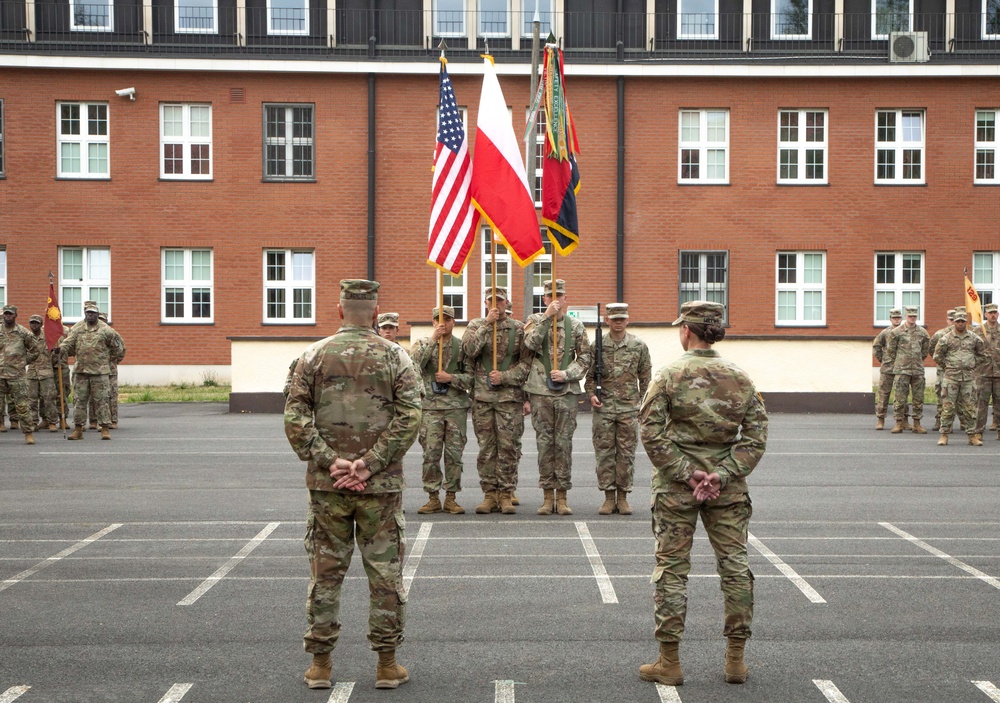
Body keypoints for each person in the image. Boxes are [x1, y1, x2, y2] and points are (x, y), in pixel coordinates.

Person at [284, 279, 421, 691]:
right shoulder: (396, 356)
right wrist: (369, 465)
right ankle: (387, 664)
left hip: (328, 487)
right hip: (379, 488)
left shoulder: (311, 356)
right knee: (384, 573)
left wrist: (332, 462)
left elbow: (294, 418)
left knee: (326, 572)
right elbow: (410, 417)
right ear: (376, 312)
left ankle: (320, 666)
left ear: (339, 310)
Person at [638, 300, 767, 686]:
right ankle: (735, 661)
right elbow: (756, 436)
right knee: (735, 567)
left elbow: (650, 432)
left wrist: (688, 474)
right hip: (727, 490)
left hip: (677, 490)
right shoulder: (740, 377)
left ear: (686, 331)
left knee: (672, 571)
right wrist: (722, 474)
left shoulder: (668, 375)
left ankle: (670, 661)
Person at [523, 279, 592, 516]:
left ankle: (561, 496)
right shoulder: (534, 322)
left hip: (566, 392)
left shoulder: (576, 326)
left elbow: (585, 358)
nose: (555, 299)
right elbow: (530, 345)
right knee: (544, 444)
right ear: (544, 299)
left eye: (559, 296)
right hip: (540, 391)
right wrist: (545, 318)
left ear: (565, 299)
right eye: (550, 296)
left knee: (563, 444)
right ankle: (546, 495)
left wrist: (567, 373)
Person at [461, 286, 531, 514]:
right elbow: (469, 351)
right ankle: (489, 494)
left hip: (509, 399)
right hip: (482, 398)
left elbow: (527, 365)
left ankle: (506, 493)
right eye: (491, 300)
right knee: (487, 449)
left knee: (508, 447)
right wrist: (485, 326)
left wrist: (506, 377)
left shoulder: (518, 329)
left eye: (499, 301)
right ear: (485, 303)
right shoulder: (475, 326)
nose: (496, 305)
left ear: (507, 302)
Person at [584, 303, 652, 515]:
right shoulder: (598, 346)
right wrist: (592, 395)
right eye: (615, 319)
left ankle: (622, 497)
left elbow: (646, 378)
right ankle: (608, 497)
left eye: (622, 318)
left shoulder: (638, 345)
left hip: (628, 409)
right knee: (604, 454)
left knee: (626, 454)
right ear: (607, 321)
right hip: (604, 408)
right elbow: (589, 378)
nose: (619, 323)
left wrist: (641, 403)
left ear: (628, 320)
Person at [409, 305, 472, 515]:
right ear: (433, 322)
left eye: (447, 319)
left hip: (455, 407)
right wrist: (433, 338)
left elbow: (472, 378)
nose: (443, 323)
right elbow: (414, 364)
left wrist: (451, 378)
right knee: (431, 454)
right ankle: (432, 497)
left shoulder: (462, 347)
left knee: (454, 455)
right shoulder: (423, 344)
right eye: (438, 320)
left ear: (454, 322)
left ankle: (452, 496)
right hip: (431, 408)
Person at [57, 302, 125, 440]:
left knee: (102, 401)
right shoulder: (77, 328)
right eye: (88, 313)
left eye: (93, 313)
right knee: (79, 401)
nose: (90, 315)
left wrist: (108, 360)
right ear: (85, 313)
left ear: (97, 315)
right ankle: (78, 429)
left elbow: (119, 348)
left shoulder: (106, 330)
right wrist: (61, 348)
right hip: (81, 372)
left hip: (99, 373)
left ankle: (105, 428)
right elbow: (69, 342)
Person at [933, 308, 987, 446]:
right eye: (958, 321)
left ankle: (972, 436)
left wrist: (972, 364)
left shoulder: (974, 338)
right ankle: (944, 435)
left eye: (963, 321)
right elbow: (937, 356)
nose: (960, 324)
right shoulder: (945, 338)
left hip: (968, 379)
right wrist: (949, 366)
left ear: (966, 322)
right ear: (954, 322)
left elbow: (982, 355)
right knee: (948, 408)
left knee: (970, 408)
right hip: (951, 378)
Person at [0, 305, 42, 444]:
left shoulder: (23, 333)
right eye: (6, 314)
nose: (7, 316)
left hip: (16, 375)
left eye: (10, 314)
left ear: (15, 315)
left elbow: (36, 350)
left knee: (22, 406)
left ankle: (28, 433)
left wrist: (23, 361)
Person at [886, 306, 930, 434]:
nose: (912, 318)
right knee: (900, 398)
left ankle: (917, 423)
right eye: (910, 316)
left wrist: (916, 360)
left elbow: (925, 352)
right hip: (902, 370)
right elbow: (890, 351)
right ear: (906, 316)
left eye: (914, 316)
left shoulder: (922, 332)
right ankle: (899, 423)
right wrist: (901, 361)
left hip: (917, 370)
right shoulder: (896, 332)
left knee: (918, 398)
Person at [89, 312, 125, 430]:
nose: (101, 322)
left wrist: (113, 361)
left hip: (110, 370)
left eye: (103, 320)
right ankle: (94, 420)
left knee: (111, 396)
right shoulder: (91, 333)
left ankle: (112, 420)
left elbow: (121, 349)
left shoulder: (112, 334)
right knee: (94, 395)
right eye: (99, 320)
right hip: (94, 369)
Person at [25, 314, 60, 432]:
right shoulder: (26, 338)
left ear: (41, 325)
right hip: (32, 372)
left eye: (36, 323)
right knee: (31, 399)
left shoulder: (48, 337)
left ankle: (52, 422)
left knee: (49, 398)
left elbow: (55, 357)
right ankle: (33, 422)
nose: (34, 325)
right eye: (32, 323)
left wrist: (54, 357)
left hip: (46, 372)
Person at [872, 308, 902, 430]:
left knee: (901, 396)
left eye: (898, 318)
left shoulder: (905, 331)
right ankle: (880, 419)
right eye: (894, 318)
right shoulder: (885, 333)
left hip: (901, 368)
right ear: (890, 319)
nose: (897, 320)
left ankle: (902, 420)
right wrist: (883, 360)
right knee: (883, 395)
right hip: (887, 369)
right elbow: (877, 346)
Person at [973, 302, 1000, 440]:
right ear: (985, 315)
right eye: (990, 313)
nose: (993, 315)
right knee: (981, 405)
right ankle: (978, 431)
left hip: (999, 374)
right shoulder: (978, 331)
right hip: (983, 373)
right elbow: (971, 350)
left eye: (995, 312)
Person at [928, 309, 956, 431]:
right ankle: (939, 420)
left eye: (955, 320)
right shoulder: (940, 334)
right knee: (941, 395)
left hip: (958, 371)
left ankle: (963, 423)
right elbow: (931, 349)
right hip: (943, 371)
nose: (953, 322)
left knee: (960, 398)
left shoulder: (964, 334)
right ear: (947, 320)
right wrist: (942, 363)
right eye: (951, 320)